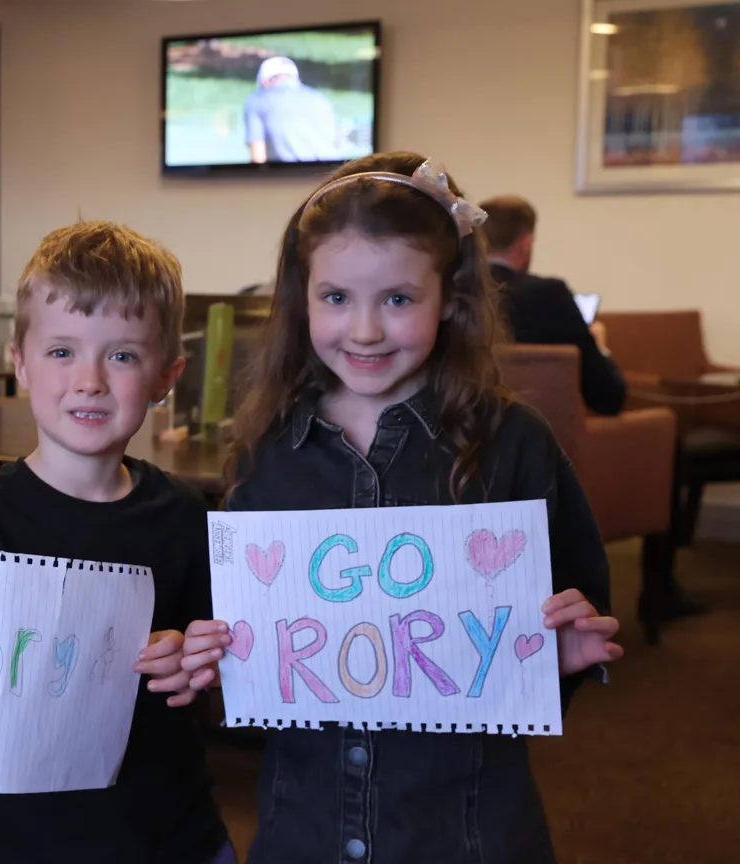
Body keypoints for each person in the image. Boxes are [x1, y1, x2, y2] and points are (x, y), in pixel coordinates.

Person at [223, 152, 623, 863]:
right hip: (304, 830)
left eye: (399, 299)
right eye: (337, 298)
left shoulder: (514, 445)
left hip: (461, 832)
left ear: (453, 299)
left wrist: (558, 655)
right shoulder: (266, 454)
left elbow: (575, 603)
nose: (367, 330)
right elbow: (252, 658)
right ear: (301, 299)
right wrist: (213, 655)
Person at [0, 221, 236, 864]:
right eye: (62, 352)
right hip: (34, 842)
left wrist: (196, 659)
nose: (89, 380)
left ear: (168, 374)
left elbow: (217, 665)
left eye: (122, 355)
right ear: (20, 362)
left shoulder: (185, 515)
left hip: (176, 834)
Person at [480, 194, 627, 416]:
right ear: (525, 245)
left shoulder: (452, 289)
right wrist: (600, 347)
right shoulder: (550, 295)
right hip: (545, 439)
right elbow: (608, 398)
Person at [244, 56, 339, 164]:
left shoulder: (256, 100)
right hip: (331, 175)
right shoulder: (322, 99)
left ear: (265, 82)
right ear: (296, 78)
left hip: (290, 177)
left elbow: (258, 157)